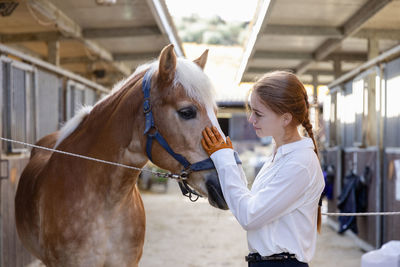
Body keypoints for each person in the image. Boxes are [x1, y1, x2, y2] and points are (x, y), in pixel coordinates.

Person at [201, 71, 325, 267]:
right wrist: (228, 157)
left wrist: (224, 159)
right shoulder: (281, 155)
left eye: (258, 113)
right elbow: (250, 200)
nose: (251, 120)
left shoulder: (299, 164)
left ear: (285, 118)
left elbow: (249, 216)